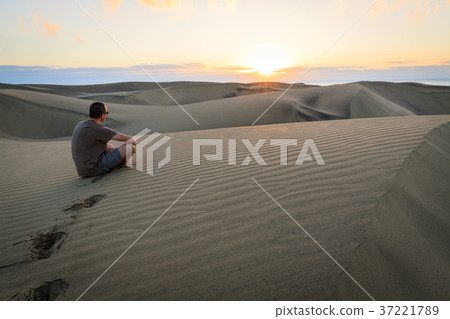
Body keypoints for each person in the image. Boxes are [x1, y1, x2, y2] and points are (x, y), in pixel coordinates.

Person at [71, 102, 136, 177]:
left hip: (83, 171)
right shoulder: (96, 128)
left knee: (110, 146)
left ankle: (117, 162)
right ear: (102, 116)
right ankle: (123, 165)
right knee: (130, 147)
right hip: (94, 170)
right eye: (107, 112)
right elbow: (131, 139)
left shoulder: (81, 124)